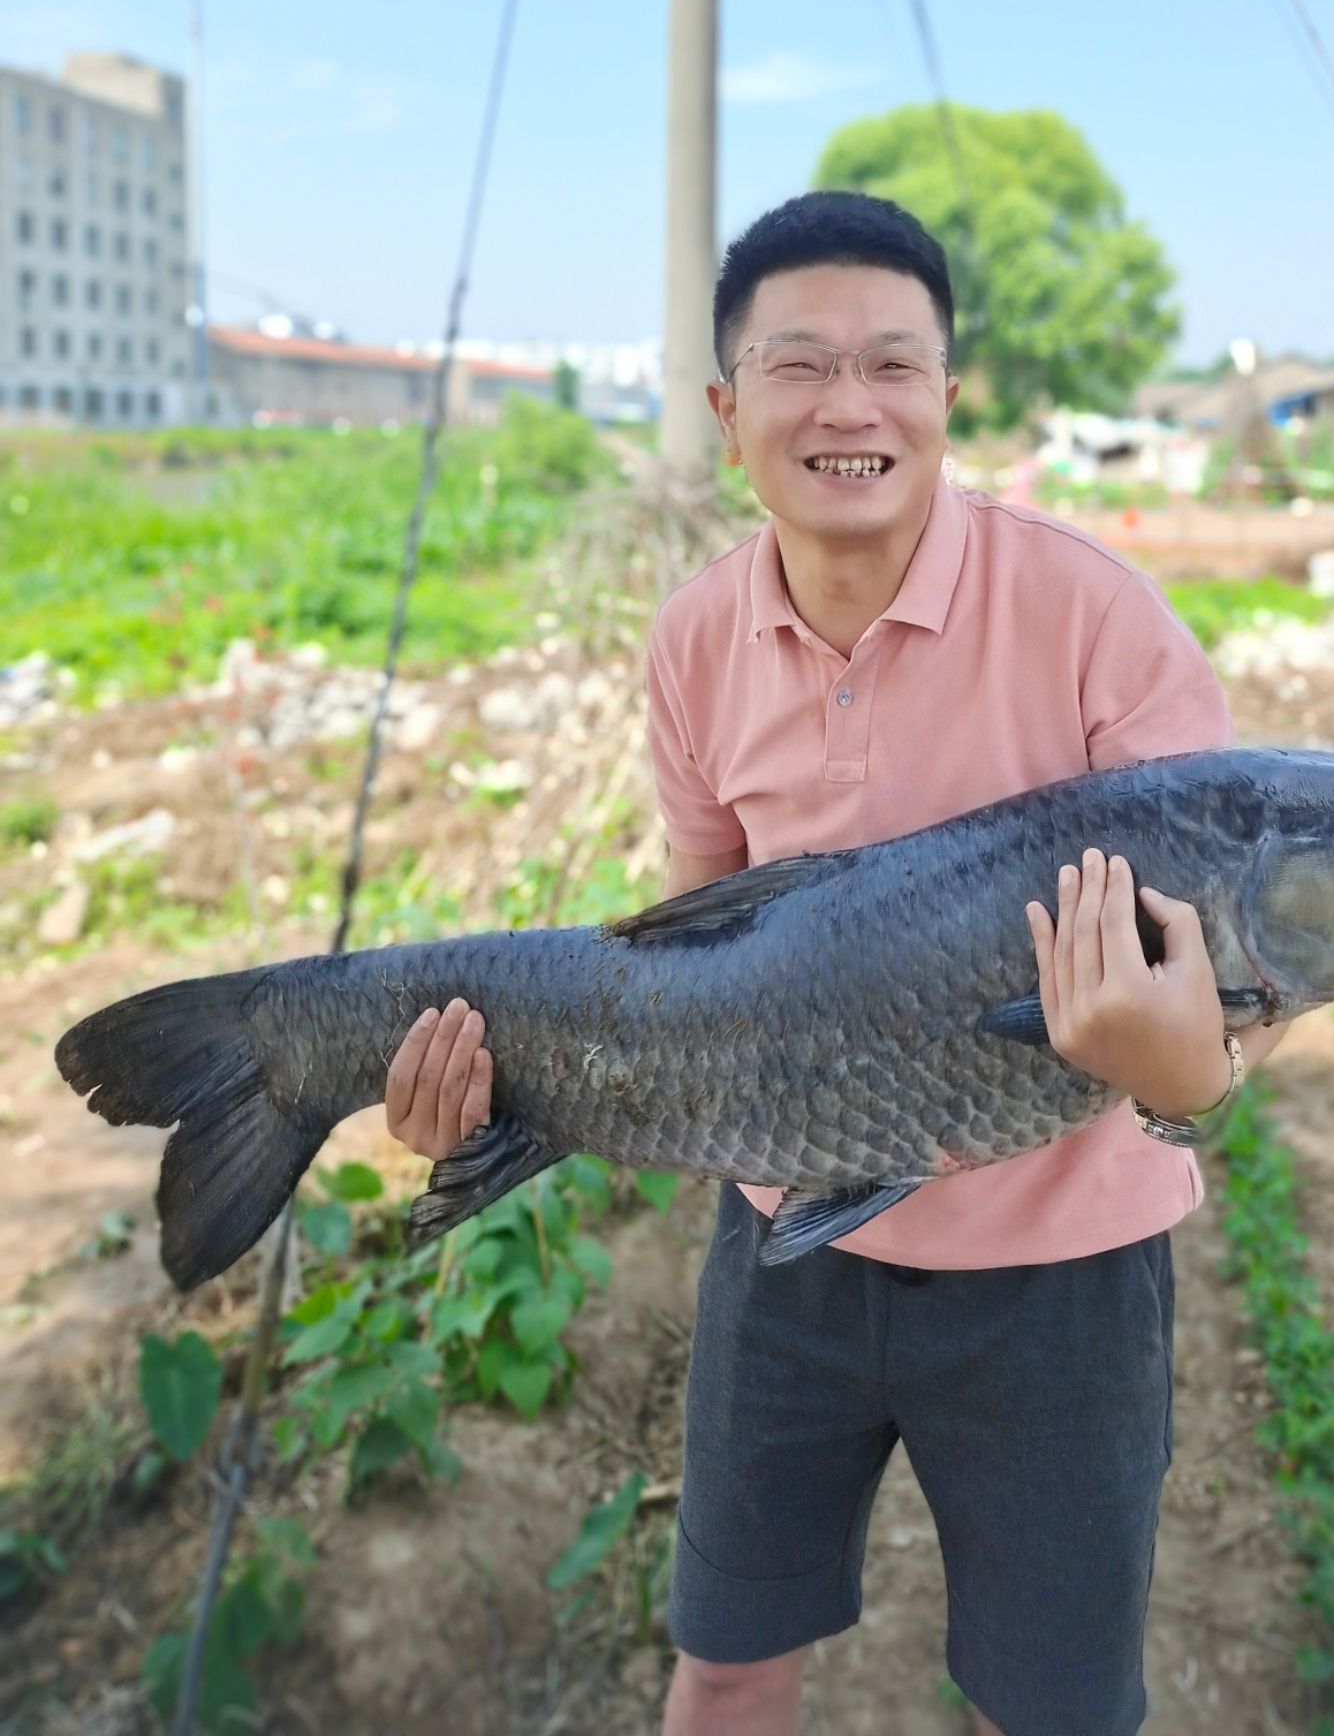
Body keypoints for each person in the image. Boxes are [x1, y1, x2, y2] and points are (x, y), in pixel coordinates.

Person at [383, 191, 1288, 1736]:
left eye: (893, 366)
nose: (849, 408)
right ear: (731, 412)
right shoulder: (693, 639)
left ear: (950, 397)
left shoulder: (1097, 615)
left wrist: (1187, 1072)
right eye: (799, 369)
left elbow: (1226, 988)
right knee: (727, 1659)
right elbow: (691, 944)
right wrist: (505, 1094)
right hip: (789, 1252)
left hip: (1059, 1278)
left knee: (1053, 1705)